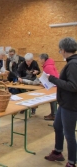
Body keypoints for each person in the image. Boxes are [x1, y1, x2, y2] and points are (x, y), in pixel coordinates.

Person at [44, 37, 77, 167]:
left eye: (60, 50)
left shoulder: (73, 64)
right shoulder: (71, 62)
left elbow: (73, 86)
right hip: (64, 103)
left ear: (63, 50)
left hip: (70, 105)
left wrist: (53, 79)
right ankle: (58, 152)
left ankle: (71, 162)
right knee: (58, 126)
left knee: (69, 134)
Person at [39, 53, 59, 121]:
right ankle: (53, 114)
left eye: (40, 59)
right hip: (53, 85)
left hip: (54, 86)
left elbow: (53, 77)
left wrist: (45, 84)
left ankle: (54, 115)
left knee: (52, 100)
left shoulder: (48, 66)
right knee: (52, 101)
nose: (39, 60)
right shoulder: (48, 65)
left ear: (43, 59)